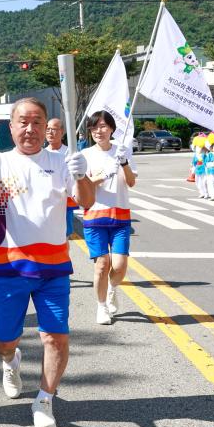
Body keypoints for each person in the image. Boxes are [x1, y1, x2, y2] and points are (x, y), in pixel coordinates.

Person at [0, 98, 93, 427]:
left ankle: (44, 400)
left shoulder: (62, 160)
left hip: (53, 269)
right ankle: (11, 360)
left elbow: (87, 201)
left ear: (46, 127)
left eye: (37, 122)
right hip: (9, 267)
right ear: (11, 127)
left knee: (56, 338)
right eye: (23, 121)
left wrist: (82, 176)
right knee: (3, 341)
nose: (30, 129)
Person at [80, 111, 137, 326]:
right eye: (94, 127)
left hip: (120, 216)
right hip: (95, 216)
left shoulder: (122, 152)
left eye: (103, 126)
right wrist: (99, 177)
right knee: (102, 265)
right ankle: (101, 306)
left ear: (112, 129)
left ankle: (113, 289)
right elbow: (80, 187)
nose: (98, 131)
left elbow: (131, 182)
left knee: (120, 265)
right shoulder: (86, 155)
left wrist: (123, 163)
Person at [45, 118, 78, 238]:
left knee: (64, 236)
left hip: (65, 203)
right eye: (47, 129)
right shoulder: (42, 153)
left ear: (62, 131)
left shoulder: (70, 153)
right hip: (47, 202)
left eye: (53, 129)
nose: (50, 132)